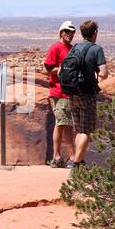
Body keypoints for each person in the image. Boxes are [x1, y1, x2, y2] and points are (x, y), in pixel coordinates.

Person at [66, 21, 108, 169]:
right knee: (86, 131)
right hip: (87, 94)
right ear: (95, 33)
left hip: (72, 92)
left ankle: (79, 159)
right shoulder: (97, 49)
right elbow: (103, 74)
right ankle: (76, 163)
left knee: (79, 130)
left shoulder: (75, 48)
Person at [44, 21, 76, 168]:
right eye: (67, 31)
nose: (70, 34)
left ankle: (61, 157)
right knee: (63, 123)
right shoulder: (55, 48)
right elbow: (49, 69)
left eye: (72, 32)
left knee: (66, 124)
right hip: (58, 92)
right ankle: (66, 157)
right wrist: (64, 68)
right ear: (61, 32)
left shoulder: (72, 49)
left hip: (70, 92)